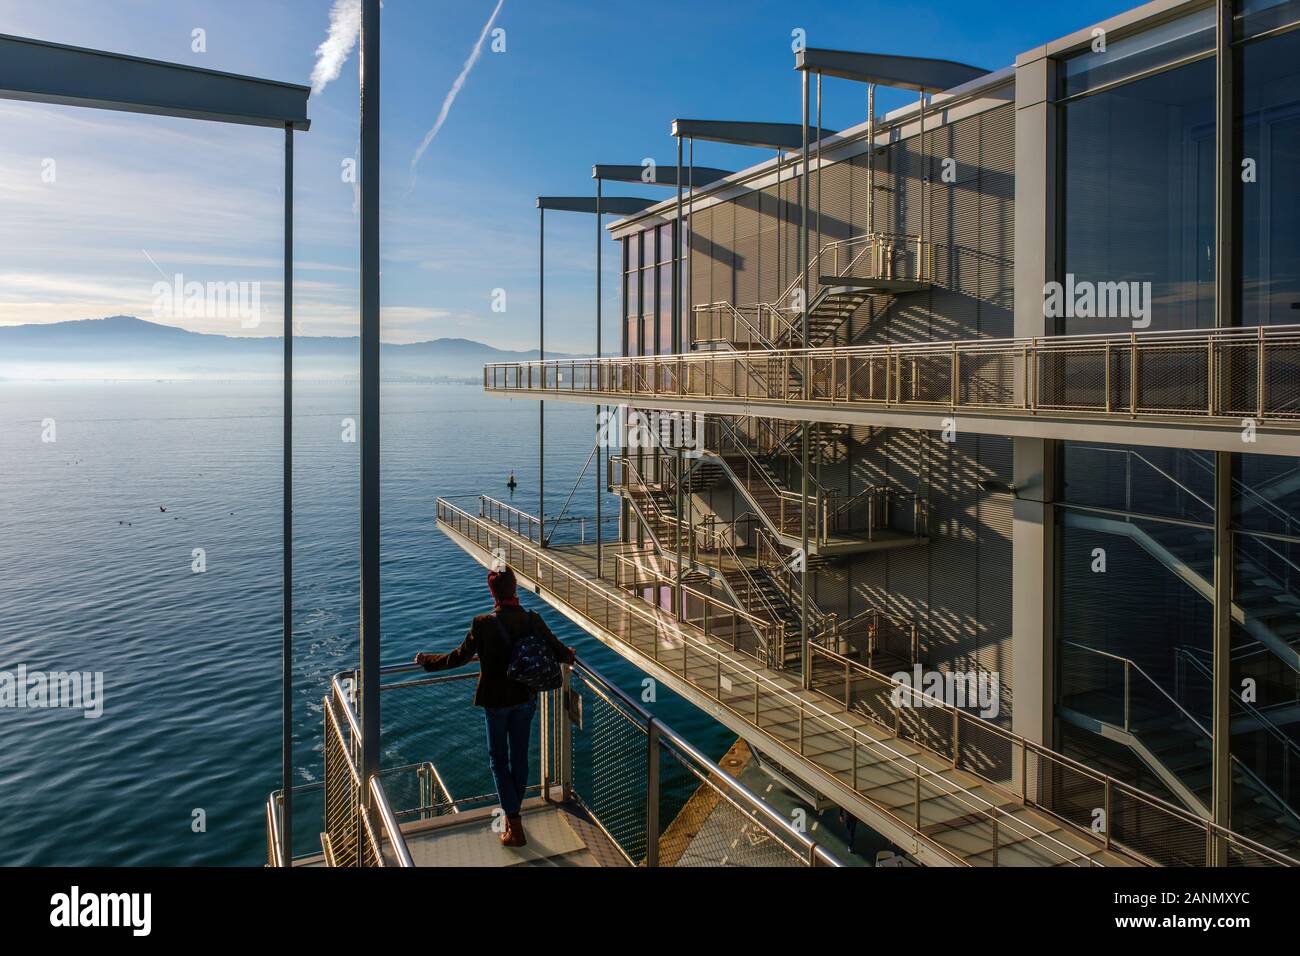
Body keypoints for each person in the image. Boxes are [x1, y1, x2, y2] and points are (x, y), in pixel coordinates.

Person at [415, 566, 574, 848]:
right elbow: (558, 650)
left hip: (496, 702)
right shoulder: (532, 619)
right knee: (520, 759)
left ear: (492, 593)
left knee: (498, 761)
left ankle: (514, 825)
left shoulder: (482, 624)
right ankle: (515, 822)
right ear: (515, 588)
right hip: (525, 698)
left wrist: (428, 660)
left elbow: (458, 658)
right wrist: (569, 654)